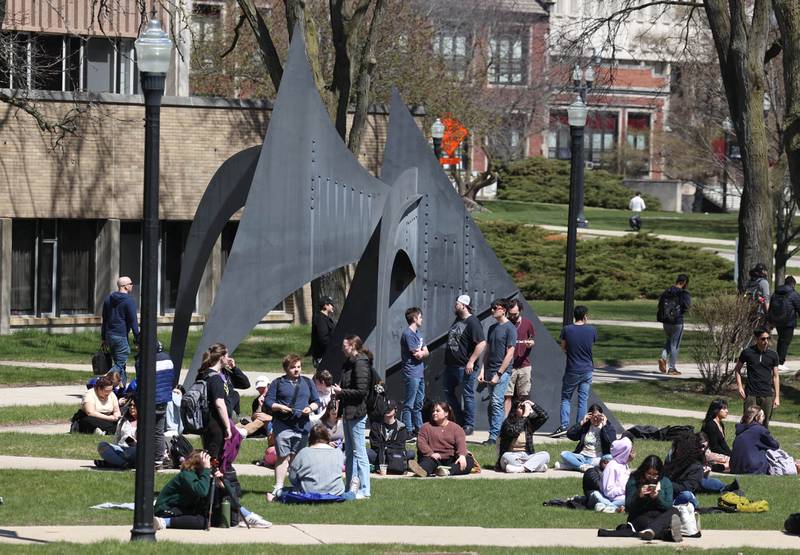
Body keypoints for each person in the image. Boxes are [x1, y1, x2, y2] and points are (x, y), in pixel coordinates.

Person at [154, 449, 271, 530]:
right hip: (166, 510)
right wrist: (206, 471)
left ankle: (246, 515)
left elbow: (233, 496)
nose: (211, 465)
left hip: (182, 508)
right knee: (203, 522)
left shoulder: (202, 474)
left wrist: (222, 483)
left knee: (214, 519)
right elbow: (202, 491)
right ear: (199, 463)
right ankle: (163, 522)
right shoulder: (186, 475)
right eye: (208, 463)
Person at [265, 353, 320, 496]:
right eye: (293, 367)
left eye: (299, 367)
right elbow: (268, 402)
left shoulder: (308, 382)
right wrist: (280, 407)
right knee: (283, 456)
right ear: (286, 368)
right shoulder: (278, 383)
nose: (296, 370)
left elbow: (317, 401)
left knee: (298, 457)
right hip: (283, 424)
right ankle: (279, 486)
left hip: (302, 426)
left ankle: (296, 486)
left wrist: (310, 408)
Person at [332, 335, 372, 499]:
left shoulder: (360, 363)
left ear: (353, 345)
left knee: (359, 452)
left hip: (357, 412)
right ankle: (350, 487)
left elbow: (362, 391)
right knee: (349, 452)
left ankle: (365, 489)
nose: (342, 348)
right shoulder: (348, 363)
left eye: (345, 345)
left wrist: (341, 392)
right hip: (348, 412)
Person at [443, 294, 486, 436]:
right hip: (451, 365)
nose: (455, 306)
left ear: (463, 305)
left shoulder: (473, 322)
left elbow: (481, 343)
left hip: (464, 366)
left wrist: (471, 361)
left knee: (467, 395)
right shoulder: (457, 320)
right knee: (448, 392)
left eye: (457, 304)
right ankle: (459, 420)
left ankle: (469, 425)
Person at [553, 305, 597, 437]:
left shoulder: (567, 329)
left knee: (566, 398)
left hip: (572, 368)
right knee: (583, 399)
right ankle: (580, 427)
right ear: (585, 316)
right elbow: (591, 343)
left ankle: (564, 426)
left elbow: (563, 347)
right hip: (587, 368)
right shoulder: (592, 330)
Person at [280, 425, 356, 500]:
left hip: (308, 492)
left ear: (311, 438)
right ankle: (352, 491)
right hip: (335, 492)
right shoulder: (338, 452)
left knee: (281, 492)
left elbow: (292, 477)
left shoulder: (303, 452)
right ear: (327, 436)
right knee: (345, 495)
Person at [479, 298, 517, 445]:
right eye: (492, 307)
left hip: (502, 372)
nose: (492, 310)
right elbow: (487, 350)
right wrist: (482, 370)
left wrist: (499, 374)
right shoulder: (492, 328)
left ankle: (494, 437)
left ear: (504, 309)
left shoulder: (510, 328)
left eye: (496, 307)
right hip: (489, 371)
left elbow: (510, 353)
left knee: (496, 402)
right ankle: (500, 434)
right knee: (494, 405)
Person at [663, 432, 737, 508]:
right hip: (677, 486)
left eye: (705, 446)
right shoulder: (673, 455)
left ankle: (726, 487)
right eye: (701, 446)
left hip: (688, 485)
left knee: (689, 492)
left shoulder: (697, 464)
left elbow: (686, 488)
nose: (703, 449)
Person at [408, 401, 475, 477]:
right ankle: (422, 470)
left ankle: (446, 471)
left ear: (446, 413)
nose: (434, 413)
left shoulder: (456, 428)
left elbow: (461, 443)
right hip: (433, 458)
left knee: (469, 460)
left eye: (437, 411)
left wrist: (462, 455)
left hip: (451, 459)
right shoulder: (425, 427)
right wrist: (431, 453)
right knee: (427, 462)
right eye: (433, 411)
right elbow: (421, 443)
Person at [197, 344, 237, 464]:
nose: (229, 358)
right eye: (227, 355)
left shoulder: (204, 374)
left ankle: (213, 479)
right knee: (215, 459)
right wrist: (227, 427)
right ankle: (213, 480)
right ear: (222, 358)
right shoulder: (216, 379)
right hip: (216, 424)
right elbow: (219, 404)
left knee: (210, 455)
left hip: (206, 422)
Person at [734, 328, 780, 428]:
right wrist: (740, 388)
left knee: (765, 424)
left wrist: (777, 397)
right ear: (756, 339)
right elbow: (737, 370)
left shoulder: (773, 355)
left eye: (768, 338)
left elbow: (776, 376)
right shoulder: (747, 352)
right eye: (763, 339)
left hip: (767, 394)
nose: (766, 341)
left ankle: (762, 443)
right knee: (748, 422)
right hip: (751, 394)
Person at [100, 276, 140, 385]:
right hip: (120, 336)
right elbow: (133, 322)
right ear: (125, 286)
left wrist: (103, 338)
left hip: (109, 336)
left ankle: (122, 390)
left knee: (121, 365)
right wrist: (138, 339)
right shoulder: (129, 301)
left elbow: (105, 320)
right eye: (130, 283)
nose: (132, 285)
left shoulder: (108, 299)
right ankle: (101, 383)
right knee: (119, 364)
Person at [495, 397, 549, 473]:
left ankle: (521, 469)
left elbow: (544, 416)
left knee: (545, 455)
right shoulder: (507, 423)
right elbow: (514, 432)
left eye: (524, 408)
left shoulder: (529, 423)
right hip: (512, 455)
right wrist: (524, 416)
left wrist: (533, 405)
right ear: (514, 410)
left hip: (526, 456)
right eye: (521, 408)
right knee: (506, 456)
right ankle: (535, 467)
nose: (524, 410)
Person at [556, 404, 615, 471]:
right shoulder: (586, 426)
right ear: (589, 416)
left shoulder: (608, 427)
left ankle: (573, 466)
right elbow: (570, 435)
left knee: (609, 459)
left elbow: (611, 443)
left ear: (602, 416)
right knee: (564, 454)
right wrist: (581, 422)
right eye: (593, 417)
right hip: (582, 456)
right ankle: (583, 466)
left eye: (598, 416)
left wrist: (605, 426)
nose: (596, 419)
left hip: (596, 458)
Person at [400, 307, 429, 438]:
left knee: (418, 403)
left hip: (420, 373)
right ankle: (408, 430)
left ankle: (420, 429)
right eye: (420, 317)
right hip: (411, 373)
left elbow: (426, 352)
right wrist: (422, 352)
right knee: (409, 403)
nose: (422, 319)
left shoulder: (419, 334)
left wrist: (422, 352)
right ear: (415, 318)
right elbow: (417, 355)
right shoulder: (408, 334)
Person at [505, 299, 535, 417]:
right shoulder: (505, 323)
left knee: (524, 396)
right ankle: (505, 423)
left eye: (515, 314)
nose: (512, 316)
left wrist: (530, 343)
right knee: (506, 396)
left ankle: (521, 422)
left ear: (520, 311)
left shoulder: (527, 323)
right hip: (508, 366)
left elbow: (532, 339)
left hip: (524, 365)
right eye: (510, 314)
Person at [656, 274, 691, 375]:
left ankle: (663, 358)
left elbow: (660, 305)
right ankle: (672, 368)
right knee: (675, 345)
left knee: (669, 340)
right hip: (677, 321)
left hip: (666, 321)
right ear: (684, 283)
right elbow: (687, 306)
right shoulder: (683, 293)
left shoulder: (666, 291)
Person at [730, 405, 780, 475]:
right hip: (752, 468)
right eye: (763, 416)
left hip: (734, 467)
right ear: (757, 417)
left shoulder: (740, 429)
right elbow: (775, 445)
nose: (764, 418)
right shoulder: (760, 430)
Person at [367, 400, 414, 473]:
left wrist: (387, 448)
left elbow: (400, 446)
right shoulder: (376, 425)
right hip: (379, 455)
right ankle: (403, 464)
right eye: (385, 408)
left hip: (395, 454)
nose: (387, 410)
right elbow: (375, 444)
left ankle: (396, 464)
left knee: (411, 453)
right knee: (366, 452)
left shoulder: (401, 427)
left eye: (390, 408)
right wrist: (386, 449)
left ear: (395, 410)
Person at [767, 276, 800, 371]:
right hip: (788, 322)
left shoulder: (776, 292)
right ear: (793, 284)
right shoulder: (793, 294)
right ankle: (780, 363)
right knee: (785, 341)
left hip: (777, 321)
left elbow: (771, 307)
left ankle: (778, 361)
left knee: (781, 340)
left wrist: (770, 320)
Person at [95, 398, 137, 469]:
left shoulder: (147, 421)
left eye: (134, 405)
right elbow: (117, 437)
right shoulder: (123, 420)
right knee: (102, 445)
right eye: (130, 405)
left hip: (136, 451)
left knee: (135, 450)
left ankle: (112, 462)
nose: (131, 407)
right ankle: (124, 464)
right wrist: (113, 450)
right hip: (122, 450)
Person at [700, 399, 731, 471]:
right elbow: (714, 447)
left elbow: (723, 444)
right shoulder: (710, 425)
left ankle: (716, 466)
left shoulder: (720, 424)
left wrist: (731, 453)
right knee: (734, 462)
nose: (727, 411)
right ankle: (711, 466)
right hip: (707, 453)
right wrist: (728, 456)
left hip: (716, 453)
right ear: (716, 410)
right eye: (724, 408)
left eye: (727, 408)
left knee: (737, 460)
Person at [308, 296, 336, 368]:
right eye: (331, 304)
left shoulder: (325, 318)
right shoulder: (321, 319)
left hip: (328, 355)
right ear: (325, 305)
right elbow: (323, 338)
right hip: (323, 355)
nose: (333, 306)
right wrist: (333, 348)